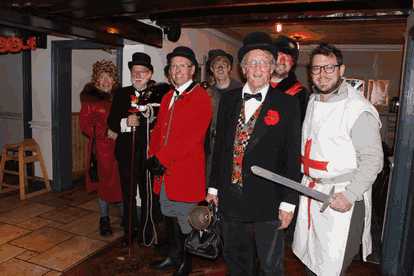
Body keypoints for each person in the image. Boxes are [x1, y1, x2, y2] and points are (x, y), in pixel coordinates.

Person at [206, 32, 302, 276]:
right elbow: (220, 148)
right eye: (252, 62)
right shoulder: (227, 100)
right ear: (243, 68)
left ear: (272, 68)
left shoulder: (288, 104)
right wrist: (214, 188)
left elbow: (292, 156)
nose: (258, 68)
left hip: (268, 199)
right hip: (230, 197)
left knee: (270, 265)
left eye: (264, 62)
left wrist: (289, 202)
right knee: (236, 261)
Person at [292, 43, 383, 276]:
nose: (322, 75)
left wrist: (350, 195)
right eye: (316, 69)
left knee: (331, 266)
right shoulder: (314, 100)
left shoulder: (357, 110)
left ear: (341, 70)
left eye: (329, 68)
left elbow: (373, 160)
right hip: (312, 193)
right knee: (311, 260)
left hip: (342, 198)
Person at [148, 46, 212, 276]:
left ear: (192, 69)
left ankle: (186, 262)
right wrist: (152, 156)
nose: (177, 71)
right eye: (173, 66)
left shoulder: (201, 97)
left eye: (182, 66)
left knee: (186, 220)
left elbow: (192, 138)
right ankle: (173, 256)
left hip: (186, 171)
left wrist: (161, 157)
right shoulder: (167, 97)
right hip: (165, 171)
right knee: (169, 215)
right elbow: (159, 132)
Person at [107, 52, 166, 246]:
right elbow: (112, 123)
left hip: (149, 154)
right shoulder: (122, 94)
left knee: (149, 194)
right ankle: (129, 232)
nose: (138, 75)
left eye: (143, 71)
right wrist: (126, 121)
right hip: (127, 153)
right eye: (135, 71)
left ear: (150, 74)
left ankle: (147, 229)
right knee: (129, 194)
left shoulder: (159, 94)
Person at [79, 60, 122, 236]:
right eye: (101, 77)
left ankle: (125, 217)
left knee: (121, 182)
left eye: (109, 77)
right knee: (104, 184)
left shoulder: (120, 97)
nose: (105, 81)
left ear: (114, 80)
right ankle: (104, 219)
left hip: (120, 148)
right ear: (96, 80)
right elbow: (84, 125)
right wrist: (106, 132)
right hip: (101, 150)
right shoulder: (90, 100)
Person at [204, 49, 242, 188]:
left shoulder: (241, 91)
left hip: (233, 146)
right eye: (216, 65)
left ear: (229, 68)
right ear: (211, 69)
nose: (220, 68)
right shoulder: (207, 94)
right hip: (212, 148)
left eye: (224, 64)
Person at [271, 35, 309, 122]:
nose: (282, 61)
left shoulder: (300, 94)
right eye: (279, 55)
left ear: (293, 63)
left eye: (288, 57)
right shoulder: (258, 84)